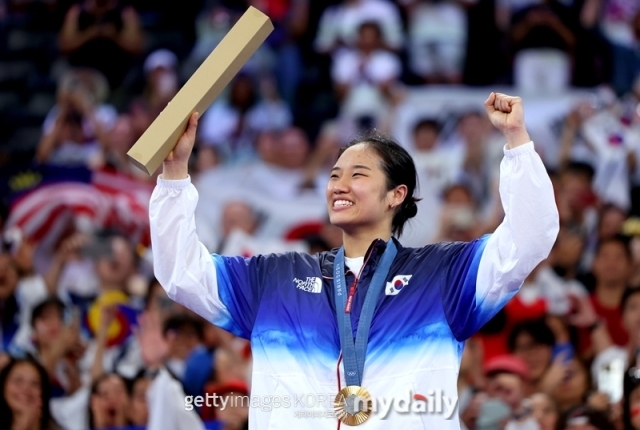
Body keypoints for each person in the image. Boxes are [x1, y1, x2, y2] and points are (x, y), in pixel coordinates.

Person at [149, 93, 559, 429]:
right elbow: (180, 273)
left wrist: (517, 143)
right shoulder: (275, 277)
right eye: (334, 175)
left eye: (358, 175)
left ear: (396, 195)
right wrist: (173, 175)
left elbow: (530, 238)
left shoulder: (444, 274)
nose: (339, 185)